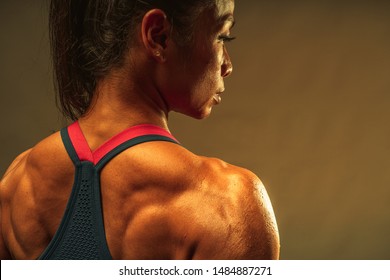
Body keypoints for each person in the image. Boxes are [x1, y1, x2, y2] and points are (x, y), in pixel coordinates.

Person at [0, 0, 280, 259]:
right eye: (221, 36)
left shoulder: (16, 186)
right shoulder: (227, 206)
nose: (228, 65)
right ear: (158, 36)